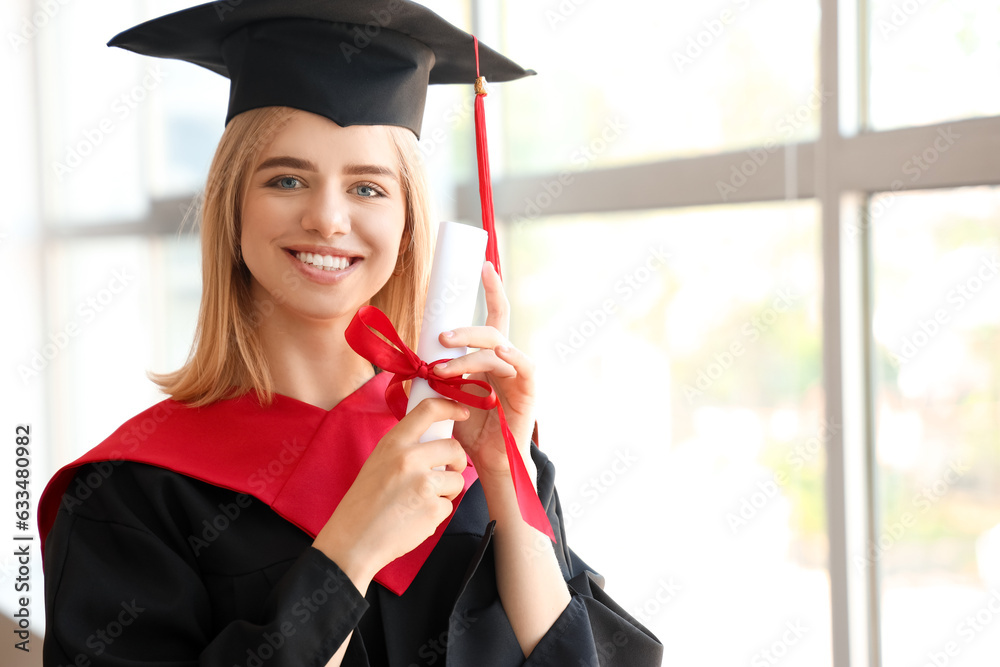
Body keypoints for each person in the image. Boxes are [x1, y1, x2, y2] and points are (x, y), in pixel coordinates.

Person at [39, 1, 664, 665]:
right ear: (233, 208)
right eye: (286, 179)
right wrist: (350, 549)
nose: (328, 218)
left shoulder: (470, 441)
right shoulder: (131, 492)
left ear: (408, 224)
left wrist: (510, 487)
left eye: (368, 188)